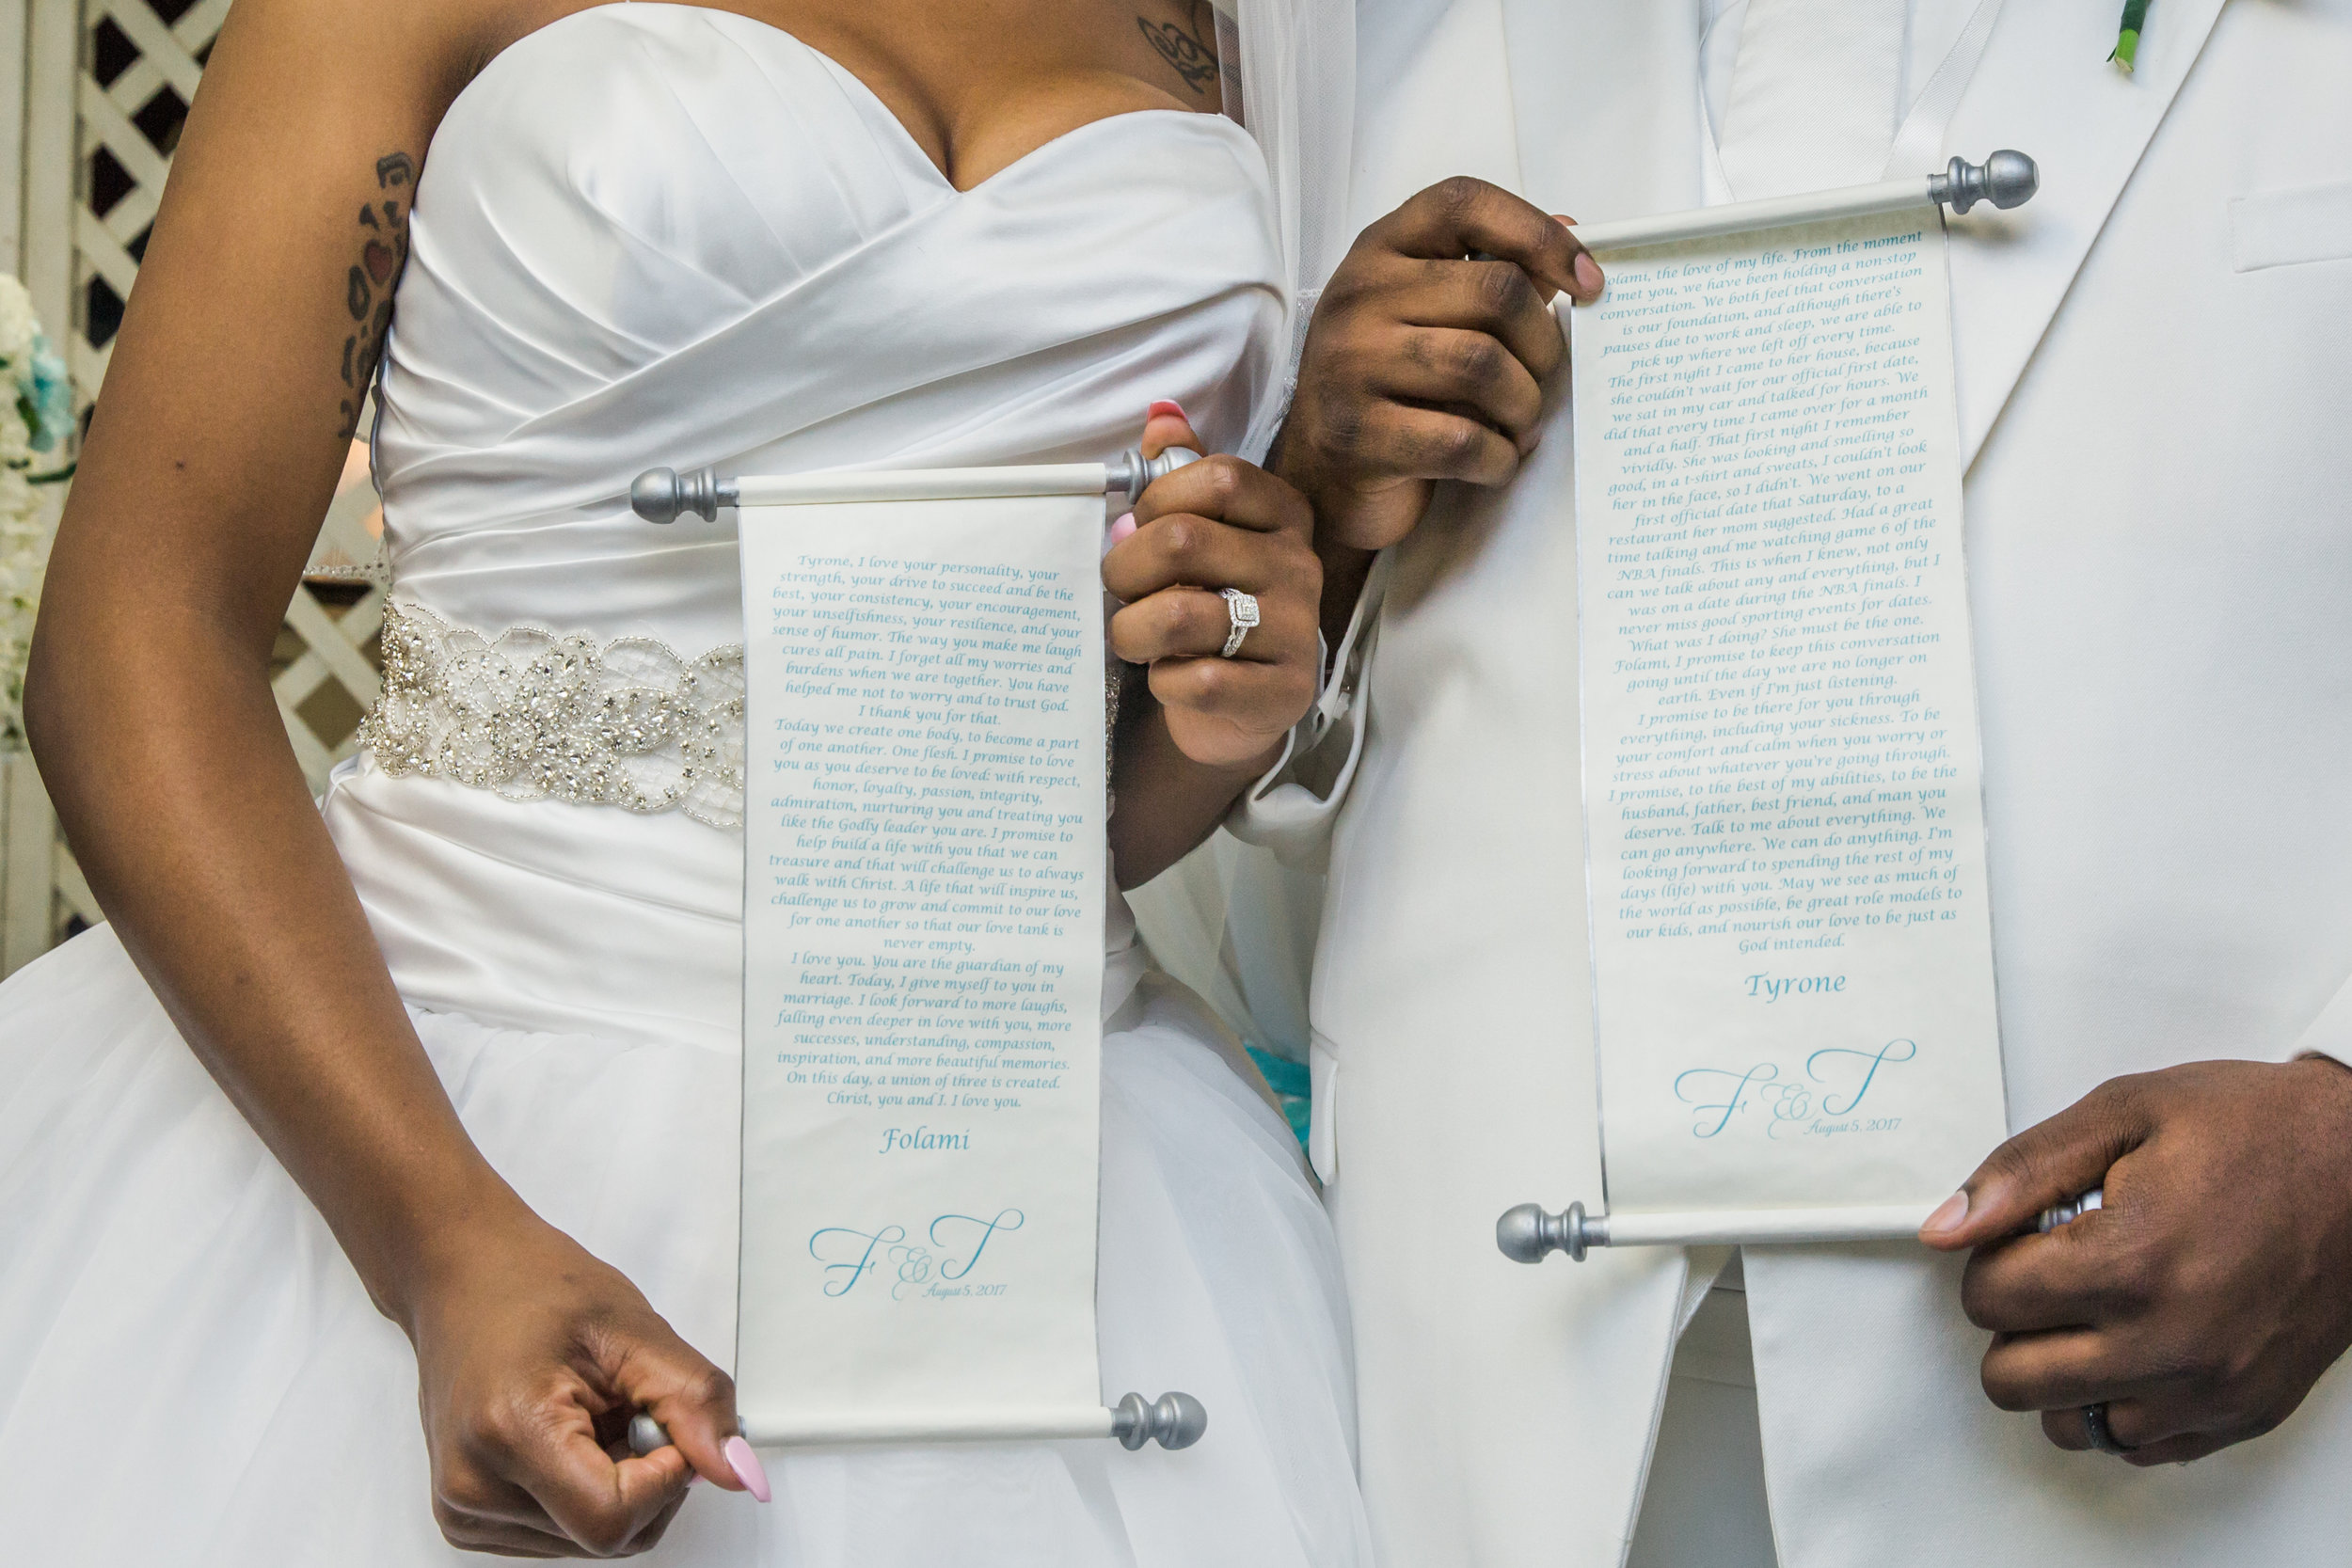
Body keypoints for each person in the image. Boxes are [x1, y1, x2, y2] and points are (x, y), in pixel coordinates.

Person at [0, 0, 1375, 1561]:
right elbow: (135, 636)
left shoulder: (1236, 23)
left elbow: (1098, 819)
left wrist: (1232, 692)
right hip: (452, 1109)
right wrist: (438, 1240)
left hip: (1043, 1168)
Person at [1243, 0, 2352, 1562]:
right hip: (1482, 1378)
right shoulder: (1348, 38)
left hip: (2155, 1435)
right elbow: (1248, 801)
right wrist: (1319, 507)